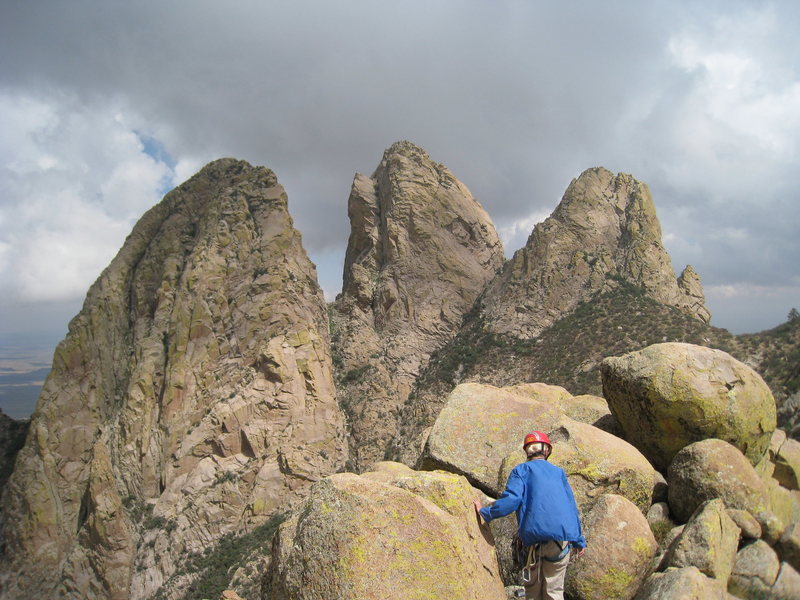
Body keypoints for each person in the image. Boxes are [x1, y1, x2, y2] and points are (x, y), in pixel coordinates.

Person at [474, 431, 586, 600]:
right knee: (554, 591)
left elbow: (512, 500)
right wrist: (578, 540)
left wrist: (486, 512)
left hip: (534, 541)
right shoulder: (558, 473)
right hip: (561, 541)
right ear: (547, 450)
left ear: (527, 451)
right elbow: (570, 507)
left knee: (533, 592)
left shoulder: (521, 470)